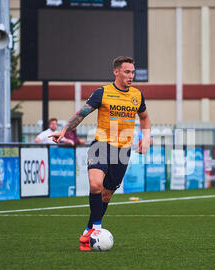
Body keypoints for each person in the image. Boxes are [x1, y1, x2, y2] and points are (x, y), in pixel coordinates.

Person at [50, 56, 151, 251]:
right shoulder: (102, 93)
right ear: (116, 72)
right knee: (95, 184)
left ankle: (88, 231)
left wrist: (146, 138)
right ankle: (97, 228)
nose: (131, 76)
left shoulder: (137, 95)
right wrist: (64, 131)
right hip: (101, 146)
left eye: (133, 72)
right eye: (127, 72)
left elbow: (145, 118)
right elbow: (81, 113)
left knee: (106, 195)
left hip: (123, 151)